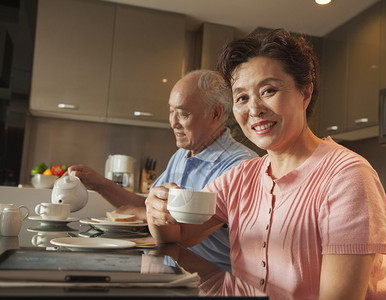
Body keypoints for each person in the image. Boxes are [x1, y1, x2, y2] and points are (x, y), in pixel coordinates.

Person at [145, 29, 386, 299]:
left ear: (305, 93)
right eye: (242, 97)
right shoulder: (241, 177)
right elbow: (178, 236)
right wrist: (157, 212)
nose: (254, 109)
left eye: (268, 90)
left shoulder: (347, 177)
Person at [68, 70, 258, 272]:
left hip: (214, 277)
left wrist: (138, 213)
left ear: (215, 114)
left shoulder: (240, 165)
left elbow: (181, 231)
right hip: (173, 267)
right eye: (171, 111)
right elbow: (151, 206)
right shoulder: (182, 155)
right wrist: (99, 184)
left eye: (183, 114)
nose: (173, 122)